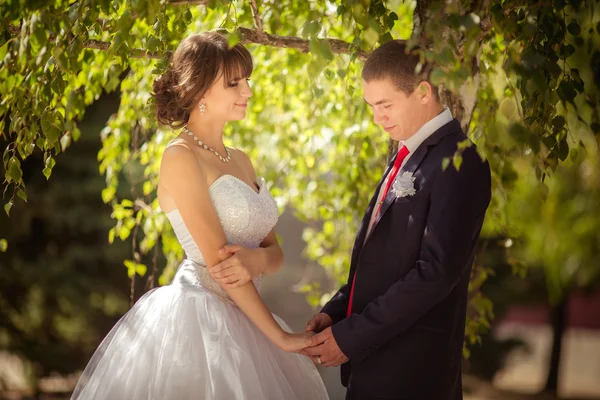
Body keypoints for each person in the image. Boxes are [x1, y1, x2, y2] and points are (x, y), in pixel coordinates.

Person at [71, 31, 329, 400]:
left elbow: (276, 254)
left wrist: (257, 258)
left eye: (248, 81)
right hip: (199, 323)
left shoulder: (241, 159)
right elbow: (220, 264)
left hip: (249, 319)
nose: (248, 92)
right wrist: (282, 338)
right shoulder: (180, 157)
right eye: (235, 83)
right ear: (202, 89)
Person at [304, 40, 492, 400]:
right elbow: (382, 263)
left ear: (423, 92)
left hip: (412, 373)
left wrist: (352, 337)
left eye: (385, 104)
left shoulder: (459, 161)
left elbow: (434, 274)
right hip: (375, 364)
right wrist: (337, 312)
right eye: (371, 107)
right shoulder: (404, 154)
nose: (377, 117)